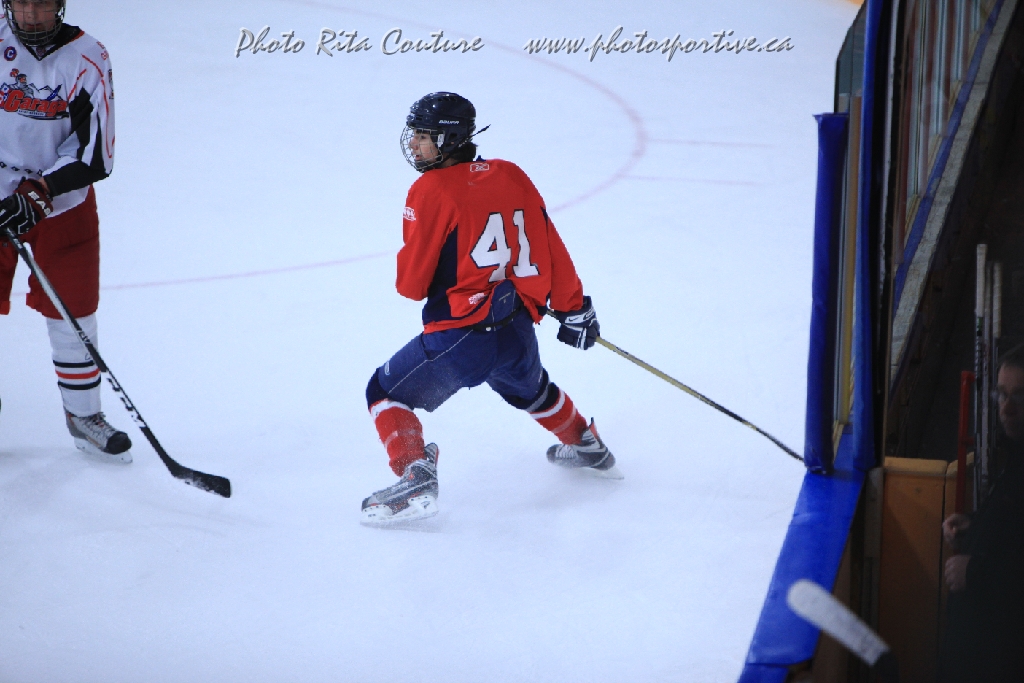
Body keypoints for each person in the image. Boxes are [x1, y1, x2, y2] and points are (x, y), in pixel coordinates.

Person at [360, 91, 621, 526]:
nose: (414, 145)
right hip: (516, 328)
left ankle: (415, 475)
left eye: (423, 136)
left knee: (384, 393)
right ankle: (585, 443)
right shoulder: (512, 174)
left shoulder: (429, 189)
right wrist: (573, 306)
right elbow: (549, 243)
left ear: (448, 139)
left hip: (460, 337)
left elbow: (411, 286)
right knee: (533, 390)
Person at [0, 0, 130, 461]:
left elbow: (97, 154)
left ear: (59, 4)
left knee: (74, 311)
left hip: (61, 203)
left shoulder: (88, 57)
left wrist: (41, 191)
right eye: (22, 3)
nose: (32, 14)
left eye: (42, 3)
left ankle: (83, 416)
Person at [941, 344, 1024, 682]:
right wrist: (973, 525)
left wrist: (975, 573)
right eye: (1002, 394)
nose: (1006, 408)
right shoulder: (1015, 455)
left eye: (1019, 396)